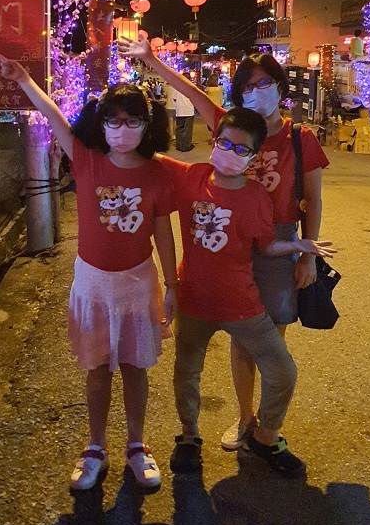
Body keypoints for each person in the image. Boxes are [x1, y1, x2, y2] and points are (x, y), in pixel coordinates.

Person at [117, 37, 329, 452]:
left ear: (281, 86)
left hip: (278, 239)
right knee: (238, 337)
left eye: (265, 82)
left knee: (268, 337)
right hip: (229, 236)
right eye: (247, 86)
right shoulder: (231, 125)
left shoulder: (301, 138)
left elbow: (314, 198)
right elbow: (191, 93)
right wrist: (152, 60)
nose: (256, 91)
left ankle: (265, 422)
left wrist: (308, 256)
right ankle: (244, 417)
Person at [0, 52, 178, 491]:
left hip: (138, 282)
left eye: (133, 121)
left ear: (147, 125)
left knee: (135, 367)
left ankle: (137, 445)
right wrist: (21, 77)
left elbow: (163, 232)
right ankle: (95, 446)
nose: (122, 130)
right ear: (102, 124)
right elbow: (52, 113)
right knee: (97, 369)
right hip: (93, 282)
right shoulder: (87, 158)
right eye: (113, 121)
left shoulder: (156, 174)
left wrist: (173, 285)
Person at [157, 107, 335, 476]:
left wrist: (300, 246)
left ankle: (264, 436)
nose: (230, 152)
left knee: (282, 370)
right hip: (192, 300)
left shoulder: (257, 197)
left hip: (242, 303)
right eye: (225, 143)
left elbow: (266, 245)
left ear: (254, 158)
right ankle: (189, 435)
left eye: (242, 149)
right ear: (213, 141)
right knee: (186, 371)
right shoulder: (190, 177)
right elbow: (142, 154)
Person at [174, 76, 195, 152]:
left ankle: (179, 144)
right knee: (187, 129)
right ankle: (186, 146)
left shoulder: (177, 87)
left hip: (179, 110)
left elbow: (174, 98)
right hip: (188, 110)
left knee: (179, 128)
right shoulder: (191, 87)